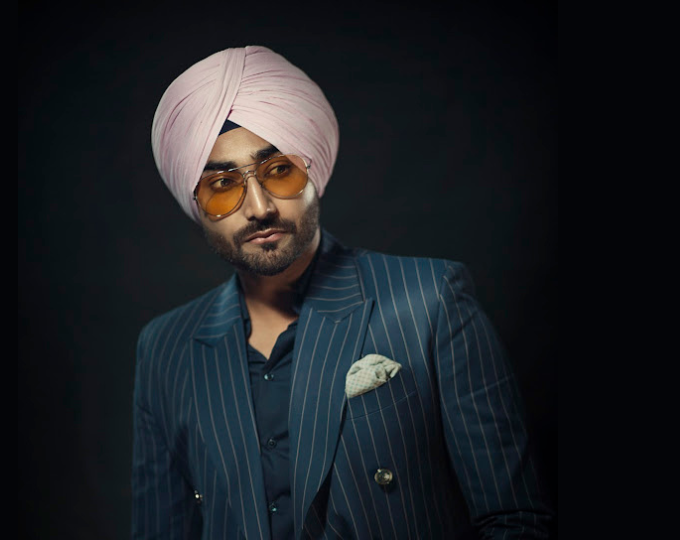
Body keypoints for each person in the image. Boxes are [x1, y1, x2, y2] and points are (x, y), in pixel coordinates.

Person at [133, 45, 552, 540]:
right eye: (223, 184)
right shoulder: (166, 347)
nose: (260, 208)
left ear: (313, 172)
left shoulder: (429, 301)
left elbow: (514, 520)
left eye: (279, 170)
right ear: (195, 200)